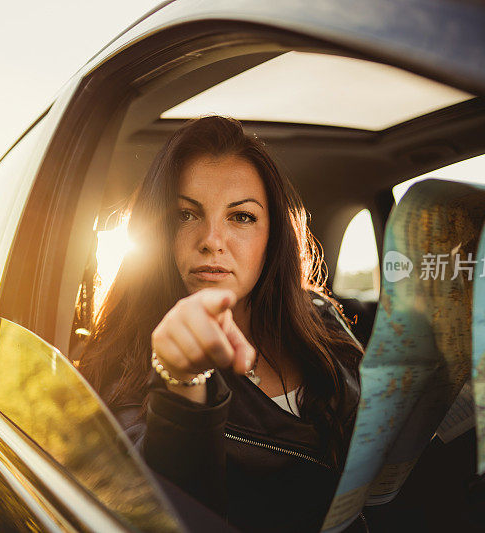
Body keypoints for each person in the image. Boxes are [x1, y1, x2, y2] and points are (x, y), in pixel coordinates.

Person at [79, 116, 363, 533]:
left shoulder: (322, 317)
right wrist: (181, 383)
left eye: (241, 217)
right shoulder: (124, 371)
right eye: (185, 214)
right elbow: (163, 513)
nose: (212, 239)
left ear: (273, 235)